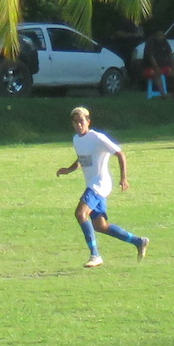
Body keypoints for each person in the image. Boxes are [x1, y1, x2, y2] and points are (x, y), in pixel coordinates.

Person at [56, 107, 147, 268]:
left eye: (81, 121)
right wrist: (69, 169)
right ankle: (138, 241)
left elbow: (120, 153)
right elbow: (82, 158)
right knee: (100, 226)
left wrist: (123, 178)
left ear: (88, 122)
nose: (78, 125)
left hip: (100, 183)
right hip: (94, 185)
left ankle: (95, 255)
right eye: (75, 122)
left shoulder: (97, 137)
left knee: (80, 213)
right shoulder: (77, 139)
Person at [141, 31, 173, 99]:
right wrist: (156, 67)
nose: (160, 37)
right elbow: (150, 56)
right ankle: (163, 94)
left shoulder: (165, 42)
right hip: (149, 67)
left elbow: (170, 53)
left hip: (164, 65)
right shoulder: (150, 42)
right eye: (159, 35)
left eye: (162, 35)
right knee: (157, 73)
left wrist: (171, 66)